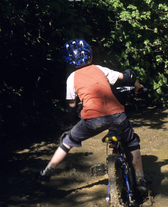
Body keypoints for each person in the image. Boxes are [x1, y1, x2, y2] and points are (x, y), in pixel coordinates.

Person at [37, 39, 149, 193]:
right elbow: (127, 76)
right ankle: (141, 180)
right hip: (117, 116)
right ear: (89, 54)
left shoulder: (72, 78)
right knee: (131, 142)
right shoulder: (99, 69)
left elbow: (71, 105)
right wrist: (138, 87)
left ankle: (46, 172)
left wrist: (75, 113)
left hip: (91, 121)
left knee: (68, 141)